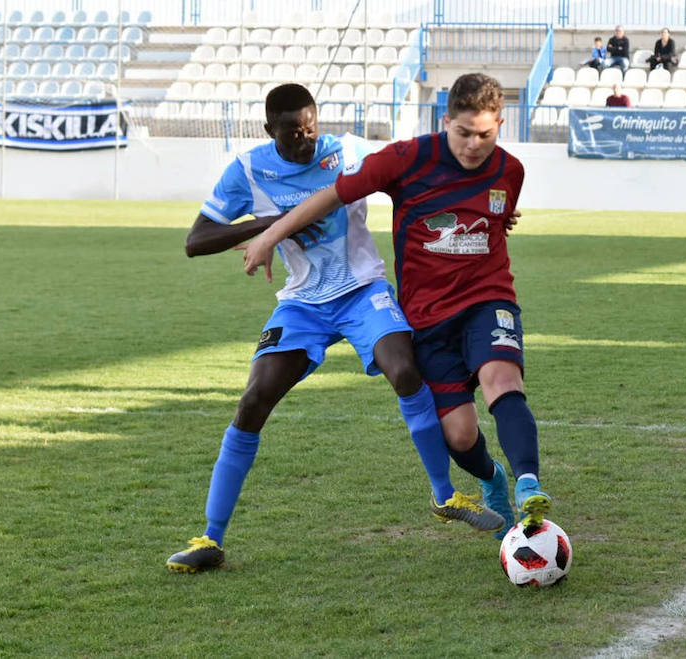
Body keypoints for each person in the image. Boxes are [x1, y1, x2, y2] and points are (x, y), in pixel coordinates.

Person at [166, 84, 504, 573]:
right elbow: (196, 240)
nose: (305, 139)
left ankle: (444, 495)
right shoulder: (248, 170)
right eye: (292, 133)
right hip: (303, 303)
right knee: (254, 400)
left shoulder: (345, 151)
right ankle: (210, 539)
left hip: (363, 290)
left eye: (311, 128)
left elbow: (414, 166)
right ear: (269, 130)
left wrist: (478, 201)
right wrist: (269, 226)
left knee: (404, 369)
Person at [240, 73, 552, 540]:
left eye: (485, 135)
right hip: (428, 316)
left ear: (500, 126)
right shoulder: (407, 159)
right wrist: (270, 235)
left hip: (488, 298)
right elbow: (332, 195)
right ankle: (493, 478)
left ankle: (529, 485)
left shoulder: (511, 171)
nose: (473, 145)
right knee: (460, 436)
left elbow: (497, 217)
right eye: (464, 133)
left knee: (502, 380)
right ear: (445, 121)